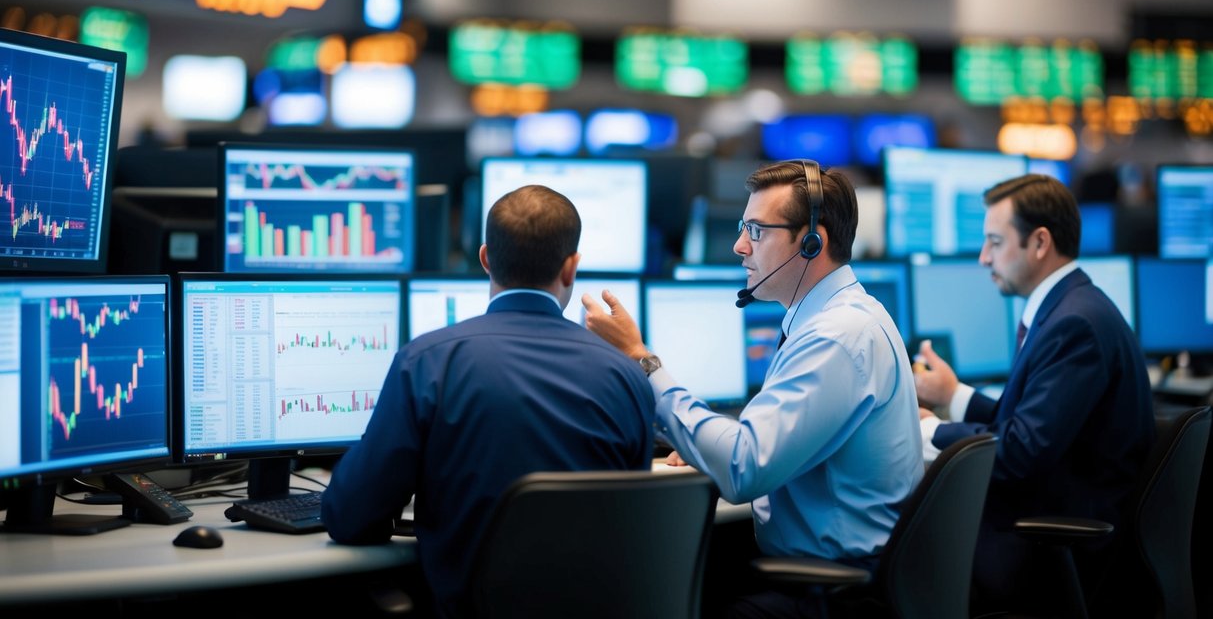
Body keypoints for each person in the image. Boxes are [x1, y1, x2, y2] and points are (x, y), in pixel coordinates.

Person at [583, 159, 923, 619]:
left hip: (831, 592)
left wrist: (643, 363)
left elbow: (744, 469)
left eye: (757, 231)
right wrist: (706, 440)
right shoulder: (842, 317)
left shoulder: (836, 338)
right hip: (827, 571)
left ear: (810, 243)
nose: (739, 245)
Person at [322, 184, 655, 618]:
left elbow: (350, 517)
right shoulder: (628, 375)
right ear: (572, 267)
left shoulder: (427, 362)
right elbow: (629, 521)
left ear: (484, 258)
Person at [914, 173, 1155, 613]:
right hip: (1060, 517)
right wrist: (953, 395)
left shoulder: (1073, 325)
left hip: (1058, 541)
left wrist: (931, 432)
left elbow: (1020, 451)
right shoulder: (1070, 307)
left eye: (994, 242)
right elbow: (1027, 421)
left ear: (1040, 242)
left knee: (904, 551)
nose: (984, 257)